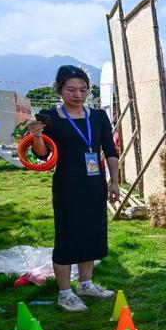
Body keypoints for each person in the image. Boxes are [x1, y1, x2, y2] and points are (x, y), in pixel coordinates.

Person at [27, 65, 119, 312]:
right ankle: (65, 292)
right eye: (71, 89)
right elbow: (42, 153)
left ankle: (86, 284)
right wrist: (37, 135)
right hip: (67, 183)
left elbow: (110, 151)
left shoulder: (99, 117)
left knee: (92, 232)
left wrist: (114, 181)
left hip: (94, 183)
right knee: (68, 235)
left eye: (83, 89)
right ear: (59, 89)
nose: (78, 94)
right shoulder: (51, 117)